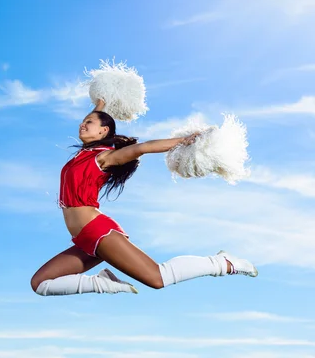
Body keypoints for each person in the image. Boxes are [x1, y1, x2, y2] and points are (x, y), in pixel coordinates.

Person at [31, 99, 258, 296]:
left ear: (103, 131)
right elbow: (96, 119)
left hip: (97, 231)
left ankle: (223, 263)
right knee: (40, 283)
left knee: (158, 278)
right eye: (84, 121)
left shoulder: (104, 158)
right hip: (83, 240)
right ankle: (103, 282)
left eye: (89, 122)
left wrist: (186, 140)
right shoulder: (83, 154)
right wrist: (100, 104)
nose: (83, 124)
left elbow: (143, 148)